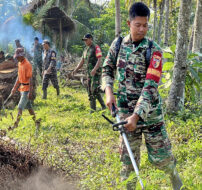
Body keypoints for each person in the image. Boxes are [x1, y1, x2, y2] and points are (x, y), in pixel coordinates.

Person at [101, 2, 183, 190]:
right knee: (128, 163)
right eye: (138, 25)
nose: (142, 29)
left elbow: (150, 86)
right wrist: (108, 91)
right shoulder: (118, 44)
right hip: (124, 114)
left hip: (150, 116)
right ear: (129, 23)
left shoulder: (154, 51)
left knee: (162, 159)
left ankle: (175, 178)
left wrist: (136, 117)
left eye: (145, 25)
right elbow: (107, 68)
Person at [72, 34, 106, 112]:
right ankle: (101, 107)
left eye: (86, 40)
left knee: (93, 89)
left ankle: (93, 109)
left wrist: (94, 69)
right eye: (84, 40)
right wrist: (76, 69)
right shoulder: (85, 49)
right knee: (91, 90)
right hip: (89, 73)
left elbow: (99, 59)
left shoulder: (96, 47)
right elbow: (82, 60)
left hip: (96, 73)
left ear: (91, 39)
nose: (85, 42)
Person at [9, 48, 36, 129]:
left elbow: (30, 79)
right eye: (16, 57)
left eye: (18, 57)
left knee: (20, 107)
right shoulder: (20, 64)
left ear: (22, 56)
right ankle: (36, 122)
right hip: (22, 88)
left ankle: (16, 125)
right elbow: (19, 77)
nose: (16, 58)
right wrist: (14, 88)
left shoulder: (27, 64)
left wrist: (30, 92)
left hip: (27, 89)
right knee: (29, 107)